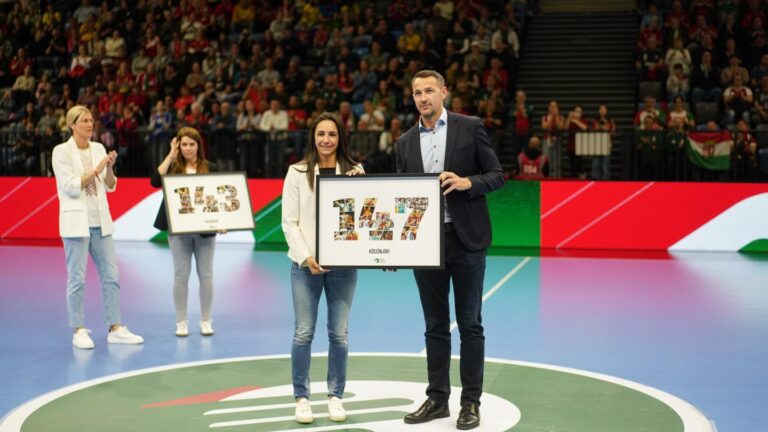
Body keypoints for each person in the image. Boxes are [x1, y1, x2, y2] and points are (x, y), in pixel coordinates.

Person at [396, 70, 504, 430]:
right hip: (425, 244)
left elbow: (497, 175)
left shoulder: (470, 127)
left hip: (466, 240)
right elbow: (402, 201)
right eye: (417, 93)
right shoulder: (404, 142)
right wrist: (395, 248)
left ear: (444, 92)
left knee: (470, 324)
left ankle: (470, 402)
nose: (423, 98)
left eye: (429, 90)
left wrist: (467, 182)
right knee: (434, 325)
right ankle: (437, 399)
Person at [281, 112, 364, 425]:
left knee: (339, 334)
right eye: (320, 134)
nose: (326, 140)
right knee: (303, 332)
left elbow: (364, 220)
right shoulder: (296, 172)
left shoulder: (355, 172)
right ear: (312, 138)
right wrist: (306, 257)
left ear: (340, 138)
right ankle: (302, 398)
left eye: (332, 134)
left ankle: (335, 397)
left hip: (344, 266)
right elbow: (289, 222)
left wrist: (362, 185)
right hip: (305, 266)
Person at [51, 105, 144, 349]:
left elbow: (110, 185)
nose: (90, 124)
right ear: (72, 125)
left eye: (91, 120)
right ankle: (78, 329)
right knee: (77, 279)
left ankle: (115, 327)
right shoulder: (61, 152)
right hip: (76, 224)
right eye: (84, 121)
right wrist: (96, 169)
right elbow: (70, 186)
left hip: (101, 222)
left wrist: (109, 167)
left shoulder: (99, 148)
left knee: (111, 276)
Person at [150, 127, 219, 337]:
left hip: (205, 230)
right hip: (178, 230)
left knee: (206, 275)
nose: (188, 148)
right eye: (184, 145)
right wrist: (170, 155)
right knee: (181, 276)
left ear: (198, 146)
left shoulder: (211, 168)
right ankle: (181, 321)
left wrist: (222, 221)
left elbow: (218, 197)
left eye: (192, 144)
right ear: (178, 146)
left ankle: (206, 320)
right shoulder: (172, 167)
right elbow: (154, 181)